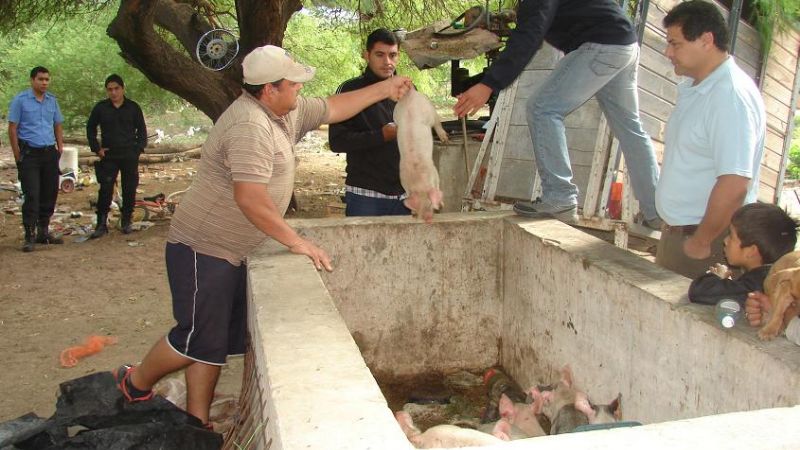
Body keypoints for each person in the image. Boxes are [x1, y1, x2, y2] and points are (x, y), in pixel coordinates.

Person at [112, 45, 411, 427]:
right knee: (195, 337)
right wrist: (296, 241)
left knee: (213, 342)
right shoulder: (250, 126)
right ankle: (134, 382)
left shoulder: (284, 110)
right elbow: (250, 199)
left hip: (234, 249)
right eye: (294, 84)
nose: (300, 89)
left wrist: (385, 90)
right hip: (204, 247)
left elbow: (334, 107)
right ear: (269, 89)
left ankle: (196, 420)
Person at [453, 0, 660, 228]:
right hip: (623, 42)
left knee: (542, 108)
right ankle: (657, 212)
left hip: (600, 44)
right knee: (630, 129)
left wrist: (489, 84)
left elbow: (530, 34)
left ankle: (560, 197)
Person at [655, 1, 766, 279]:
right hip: (684, 235)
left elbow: (735, 182)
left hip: (707, 243)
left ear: (706, 40)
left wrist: (701, 241)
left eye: (675, 44)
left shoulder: (729, 96)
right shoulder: (702, 88)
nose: (668, 52)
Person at [329, 29, 410, 216]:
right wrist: (381, 135)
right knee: (362, 246)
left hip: (405, 194)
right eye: (380, 55)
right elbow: (337, 142)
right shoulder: (350, 90)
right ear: (367, 55)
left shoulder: (406, 90)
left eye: (393, 55)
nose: (387, 62)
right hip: (366, 194)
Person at [688, 203, 797, 305]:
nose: (725, 241)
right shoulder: (773, 277)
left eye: (731, 236)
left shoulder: (758, 284)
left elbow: (700, 292)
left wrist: (717, 276)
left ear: (751, 251)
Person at [8, 66, 65, 252]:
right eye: (41, 79)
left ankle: (43, 231)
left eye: (47, 79)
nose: (44, 83)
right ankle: (29, 234)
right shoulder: (21, 100)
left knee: (50, 192)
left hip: (49, 153)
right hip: (30, 154)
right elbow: (13, 128)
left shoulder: (52, 101)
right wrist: (18, 155)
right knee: (32, 194)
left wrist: (60, 147)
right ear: (32, 80)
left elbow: (57, 124)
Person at [86, 74, 148, 238]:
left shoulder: (133, 107)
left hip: (129, 154)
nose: (113, 93)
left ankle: (126, 221)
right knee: (105, 189)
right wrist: (97, 148)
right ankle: (101, 224)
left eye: (116, 89)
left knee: (129, 188)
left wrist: (138, 149)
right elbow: (90, 128)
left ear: (122, 89)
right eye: (110, 89)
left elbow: (142, 130)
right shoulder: (101, 108)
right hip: (109, 155)